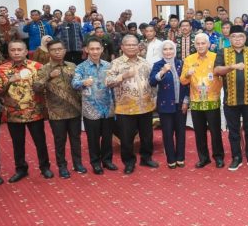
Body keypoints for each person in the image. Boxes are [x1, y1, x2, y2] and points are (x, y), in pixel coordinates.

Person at [0, 40, 52, 183]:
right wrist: (9, 81)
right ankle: (21, 169)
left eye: (19, 50)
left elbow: (46, 88)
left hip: (35, 112)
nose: (16, 53)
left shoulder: (37, 66)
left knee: (40, 142)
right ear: (9, 52)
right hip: (13, 114)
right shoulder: (2, 69)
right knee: (17, 143)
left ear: (26, 51)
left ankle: (45, 167)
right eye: (13, 50)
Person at [32, 39, 86, 178]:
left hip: (74, 109)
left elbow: (79, 85)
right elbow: (36, 88)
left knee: (76, 139)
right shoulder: (44, 68)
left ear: (64, 50)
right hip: (56, 112)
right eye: (53, 50)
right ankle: (62, 166)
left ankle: (78, 163)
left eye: (60, 49)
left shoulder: (72, 66)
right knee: (60, 141)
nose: (57, 52)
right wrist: (49, 76)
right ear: (49, 52)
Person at [106, 34, 158, 175]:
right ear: (122, 47)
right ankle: (129, 162)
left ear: (138, 47)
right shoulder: (116, 63)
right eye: (128, 45)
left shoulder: (144, 62)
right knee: (127, 138)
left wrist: (154, 98)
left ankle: (146, 158)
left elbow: (151, 82)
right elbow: (108, 82)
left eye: (134, 44)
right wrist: (123, 76)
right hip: (125, 108)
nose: (131, 47)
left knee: (147, 136)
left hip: (145, 106)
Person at [214, 25, 248, 171]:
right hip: (231, 99)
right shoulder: (223, 52)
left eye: (241, 36)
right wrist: (231, 67)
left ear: (245, 38)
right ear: (229, 38)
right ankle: (236, 157)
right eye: (234, 36)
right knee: (233, 131)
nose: (238, 39)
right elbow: (217, 70)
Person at [72, 37, 117, 175]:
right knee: (93, 138)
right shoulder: (81, 67)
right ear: (86, 49)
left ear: (102, 49)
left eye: (98, 48)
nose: (95, 51)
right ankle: (95, 163)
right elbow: (74, 83)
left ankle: (107, 160)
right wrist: (83, 82)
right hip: (91, 109)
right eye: (92, 49)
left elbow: (114, 84)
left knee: (107, 137)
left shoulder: (108, 65)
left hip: (108, 107)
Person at [180, 33, 224, 169]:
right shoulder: (189, 59)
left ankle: (218, 157)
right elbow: (183, 81)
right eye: (198, 44)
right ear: (195, 45)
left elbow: (223, 76)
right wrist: (187, 74)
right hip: (196, 101)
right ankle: (203, 158)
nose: (200, 46)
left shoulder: (216, 57)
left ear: (208, 44)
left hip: (212, 100)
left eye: (203, 43)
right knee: (199, 132)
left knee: (215, 132)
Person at [151, 40, 189, 169]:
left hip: (181, 104)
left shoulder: (181, 63)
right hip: (165, 105)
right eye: (165, 49)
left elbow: (187, 83)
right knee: (167, 133)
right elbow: (152, 82)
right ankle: (171, 159)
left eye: (170, 49)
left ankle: (180, 158)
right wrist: (162, 72)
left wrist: (186, 101)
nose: (168, 52)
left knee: (181, 133)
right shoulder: (158, 64)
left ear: (174, 50)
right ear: (162, 51)